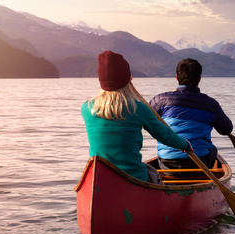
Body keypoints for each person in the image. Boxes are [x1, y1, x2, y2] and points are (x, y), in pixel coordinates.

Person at [81, 51, 191, 183]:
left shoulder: (87, 108)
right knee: (154, 175)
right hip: (133, 177)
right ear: (127, 79)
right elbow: (164, 134)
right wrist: (184, 144)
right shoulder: (137, 108)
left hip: (98, 178)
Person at [149, 58, 233, 170]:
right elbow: (226, 130)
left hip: (167, 162)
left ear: (177, 78)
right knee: (213, 150)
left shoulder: (159, 100)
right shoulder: (211, 104)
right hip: (200, 162)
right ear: (199, 78)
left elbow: (146, 120)